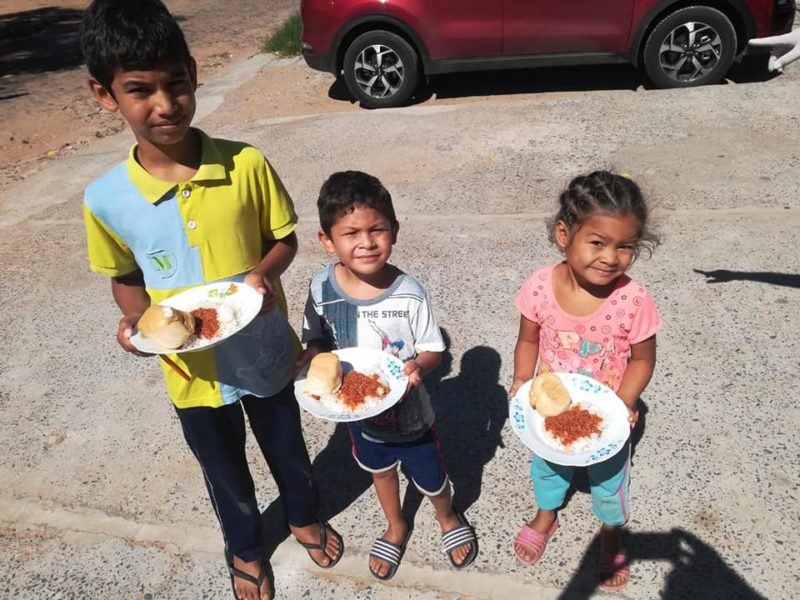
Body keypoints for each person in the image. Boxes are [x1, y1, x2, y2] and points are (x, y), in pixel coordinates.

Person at [79, 2, 342, 599]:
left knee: (288, 447)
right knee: (223, 470)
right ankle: (245, 547)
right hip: (190, 371)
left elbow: (284, 239)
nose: (165, 104)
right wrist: (134, 321)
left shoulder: (245, 163)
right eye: (139, 89)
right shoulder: (106, 199)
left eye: (176, 83)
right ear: (104, 94)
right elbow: (125, 276)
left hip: (265, 352)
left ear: (195, 74)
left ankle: (302, 515)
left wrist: (262, 275)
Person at [299, 171, 478, 580]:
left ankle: (447, 516)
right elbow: (315, 336)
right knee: (379, 471)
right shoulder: (321, 287)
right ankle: (396, 525)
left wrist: (420, 367)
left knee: (431, 477)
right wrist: (310, 355)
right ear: (327, 240)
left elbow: (433, 348)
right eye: (350, 233)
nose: (366, 242)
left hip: (410, 415)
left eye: (376, 229)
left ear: (394, 230)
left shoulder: (409, 293)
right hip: (358, 413)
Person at [508, 171, 662, 590]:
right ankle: (546, 515)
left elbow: (643, 359)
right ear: (564, 234)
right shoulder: (540, 287)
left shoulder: (633, 300)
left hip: (605, 414)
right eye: (598, 242)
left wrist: (625, 401)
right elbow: (528, 338)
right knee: (547, 467)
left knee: (610, 480)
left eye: (625, 247)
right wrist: (522, 379)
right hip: (550, 410)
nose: (611, 258)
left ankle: (611, 532)